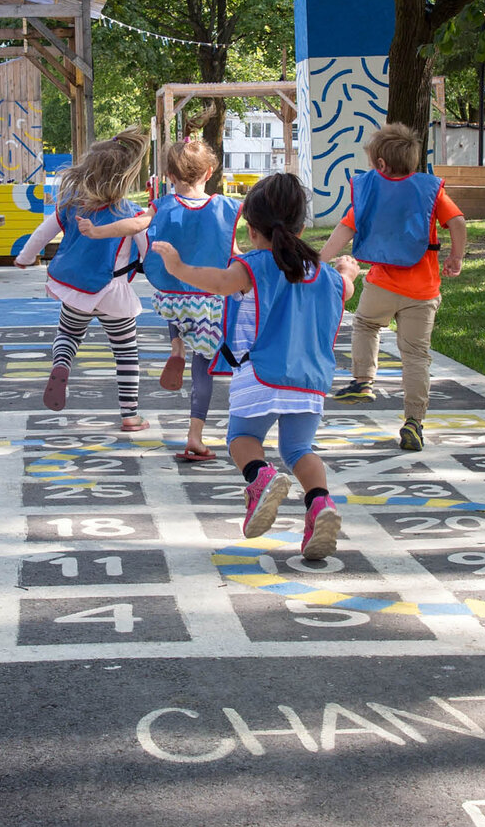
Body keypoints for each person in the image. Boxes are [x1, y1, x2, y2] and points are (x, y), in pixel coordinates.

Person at [152, 173, 356, 560]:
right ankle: (320, 503)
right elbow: (345, 288)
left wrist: (178, 268)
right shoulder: (324, 274)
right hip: (310, 381)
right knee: (299, 449)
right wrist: (348, 271)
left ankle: (260, 477)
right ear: (301, 226)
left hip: (260, 373)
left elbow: (219, 283)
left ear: (251, 230)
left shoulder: (255, 266)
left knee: (242, 439)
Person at [320, 122, 466, 452]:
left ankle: (363, 380)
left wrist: (318, 260)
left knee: (366, 324)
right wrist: (456, 257)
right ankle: (414, 421)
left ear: (381, 165)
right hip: (423, 291)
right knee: (416, 356)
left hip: (382, 285)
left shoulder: (371, 191)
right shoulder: (431, 191)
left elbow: (345, 229)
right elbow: (457, 222)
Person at [15, 129, 149, 431]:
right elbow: (148, 251)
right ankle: (130, 415)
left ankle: (62, 363)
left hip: (76, 291)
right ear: (125, 177)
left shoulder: (70, 206)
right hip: (115, 294)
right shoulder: (131, 214)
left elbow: (41, 234)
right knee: (126, 352)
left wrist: (24, 258)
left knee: (68, 334)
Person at [133, 137, 236, 461]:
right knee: (203, 369)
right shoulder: (225, 208)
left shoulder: (163, 205)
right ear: (209, 173)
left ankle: (176, 345)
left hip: (173, 298)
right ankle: (195, 436)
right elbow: (235, 252)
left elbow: (137, 224)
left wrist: (97, 231)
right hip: (209, 301)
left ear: (169, 176)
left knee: (174, 295)